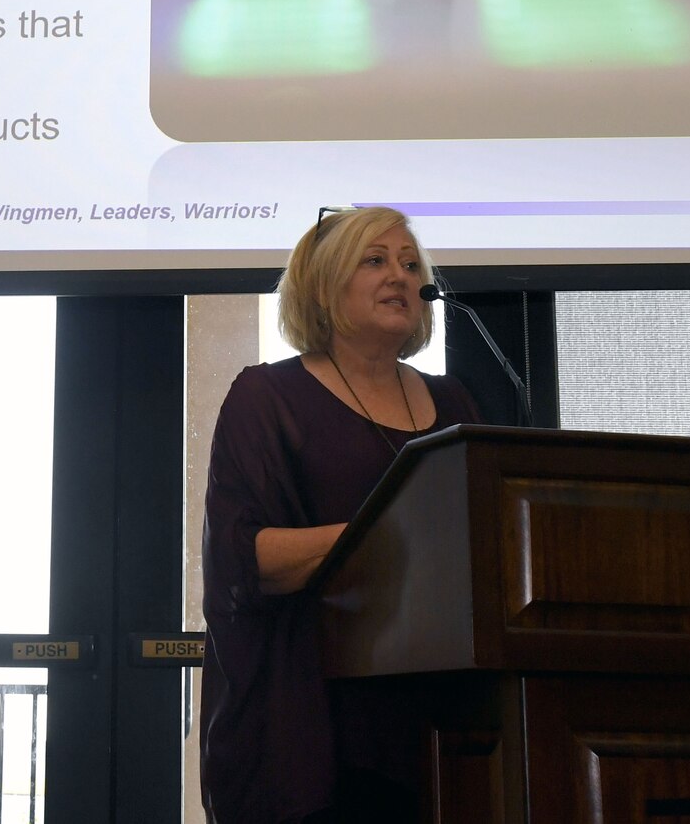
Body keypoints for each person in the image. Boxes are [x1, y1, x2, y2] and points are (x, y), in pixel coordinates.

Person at [200, 206, 481, 823]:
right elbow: (247, 561)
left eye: (412, 266)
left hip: (434, 713)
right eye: (375, 261)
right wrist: (387, 535)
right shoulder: (267, 396)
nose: (401, 277)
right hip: (311, 716)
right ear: (324, 284)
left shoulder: (453, 400)